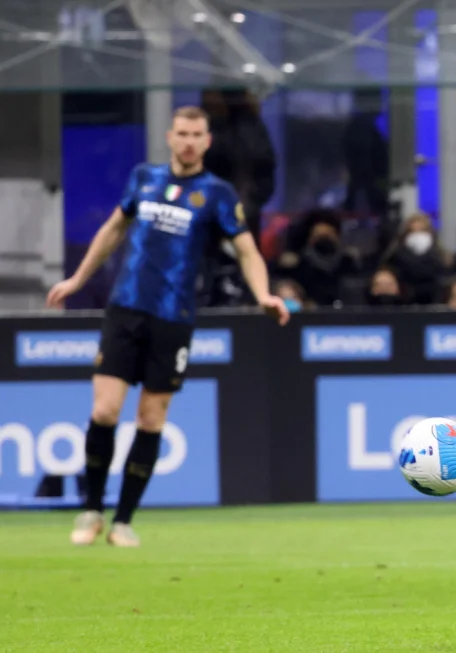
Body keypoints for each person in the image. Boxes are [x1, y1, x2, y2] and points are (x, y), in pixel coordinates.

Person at [48, 106, 289, 547]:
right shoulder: (144, 178)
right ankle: (92, 510)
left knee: (151, 417)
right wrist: (77, 279)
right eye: (182, 133)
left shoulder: (217, 193)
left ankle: (123, 521)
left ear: (207, 141)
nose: (189, 141)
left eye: (197, 135)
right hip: (126, 309)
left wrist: (263, 294)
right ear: (169, 136)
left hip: (173, 318)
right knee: (104, 411)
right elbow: (113, 229)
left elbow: (247, 251)